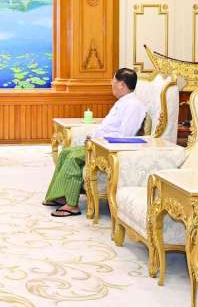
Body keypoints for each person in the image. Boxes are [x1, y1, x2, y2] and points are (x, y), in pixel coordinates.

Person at [44, 68, 147, 218]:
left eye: (114, 80)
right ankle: (60, 195)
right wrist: (94, 135)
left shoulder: (134, 105)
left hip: (109, 147)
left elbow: (125, 135)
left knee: (73, 158)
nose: (111, 83)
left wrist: (98, 139)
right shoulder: (123, 102)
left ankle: (72, 205)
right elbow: (110, 127)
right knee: (66, 152)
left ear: (121, 85)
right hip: (99, 143)